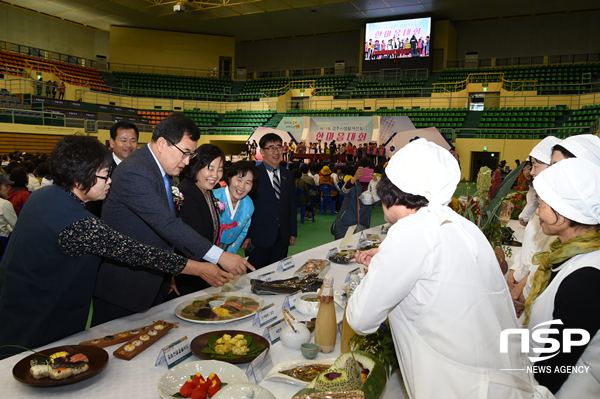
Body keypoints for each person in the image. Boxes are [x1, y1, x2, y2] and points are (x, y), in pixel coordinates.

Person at [347, 138, 552, 399]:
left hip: (461, 386)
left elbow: (361, 318)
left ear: (390, 191)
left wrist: (378, 269)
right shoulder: (458, 224)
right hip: (496, 377)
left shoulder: (411, 231)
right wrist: (385, 258)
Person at [0, 135, 218, 358]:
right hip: (43, 317)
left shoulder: (44, 195)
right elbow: (136, 252)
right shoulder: (78, 223)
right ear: (78, 179)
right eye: (105, 176)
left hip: (16, 305)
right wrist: (200, 268)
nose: (110, 182)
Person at [92, 114, 253, 326]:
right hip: (126, 287)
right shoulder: (136, 170)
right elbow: (167, 224)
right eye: (185, 153)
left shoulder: (158, 169)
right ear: (161, 143)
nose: (187, 161)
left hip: (155, 279)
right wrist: (220, 256)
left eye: (191, 154)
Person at [524, 158, 600, 397]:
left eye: (542, 204)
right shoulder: (567, 256)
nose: (537, 211)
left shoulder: (586, 278)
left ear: (566, 211)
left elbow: (554, 368)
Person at [508, 136, 562, 317]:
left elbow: (544, 255)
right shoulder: (543, 203)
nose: (531, 171)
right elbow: (531, 246)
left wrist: (522, 287)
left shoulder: (558, 212)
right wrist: (515, 271)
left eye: (536, 165)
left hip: (533, 286)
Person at [169, 144, 224, 297]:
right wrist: (221, 258)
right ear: (196, 166)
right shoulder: (187, 193)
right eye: (210, 168)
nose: (216, 174)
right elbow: (190, 241)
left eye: (220, 169)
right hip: (189, 274)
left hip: (203, 270)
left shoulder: (207, 191)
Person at [243, 133, 297, 269]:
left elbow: (291, 204)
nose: (276, 152)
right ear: (262, 151)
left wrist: (292, 231)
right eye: (271, 148)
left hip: (282, 236)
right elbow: (244, 206)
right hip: (258, 237)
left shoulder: (288, 175)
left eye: (279, 147)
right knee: (255, 277)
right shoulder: (253, 174)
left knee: (278, 275)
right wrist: (246, 235)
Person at [86, 122, 139, 217]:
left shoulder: (141, 168)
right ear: (112, 142)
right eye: (124, 140)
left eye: (133, 140)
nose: (129, 145)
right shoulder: (99, 167)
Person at [213, 161, 258, 254]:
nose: (242, 186)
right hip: (206, 250)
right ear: (229, 178)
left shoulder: (249, 204)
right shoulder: (213, 197)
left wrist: (229, 254)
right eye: (239, 179)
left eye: (248, 182)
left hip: (229, 252)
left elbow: (243, 232)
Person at [332, 158, 374, 239]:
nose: (364, 174)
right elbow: (343, 191)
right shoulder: (352, 182)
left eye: (367, 171)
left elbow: (377, 203)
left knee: (359, 249)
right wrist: (354, 178)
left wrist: (376, 186)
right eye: (362, 171)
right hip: (345, 224)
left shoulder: (372, 186)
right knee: (343, 248)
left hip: (363, 224)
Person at [517, 161, 534, 226]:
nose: (526, 172)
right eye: (524, 169)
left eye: (529, 168)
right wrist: (522, 216)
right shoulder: (530, 185)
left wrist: (524, 217)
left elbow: (534, 204)